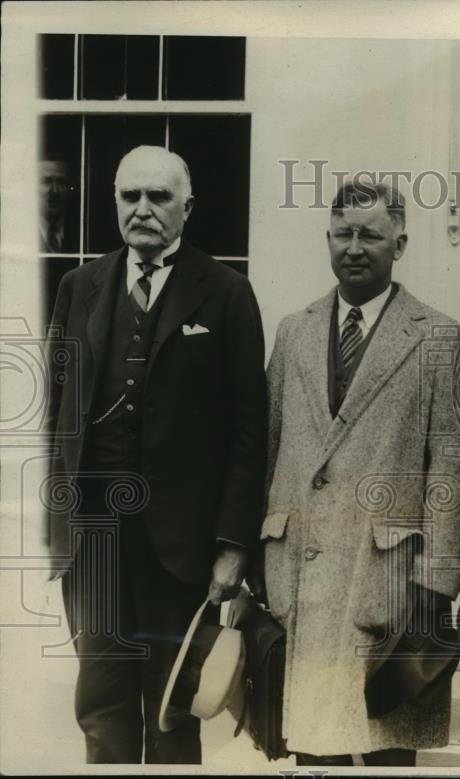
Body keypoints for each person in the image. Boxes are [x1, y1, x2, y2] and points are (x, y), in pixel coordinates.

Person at [44, 145, 267, 763]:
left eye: (159, 197)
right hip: (98, 542)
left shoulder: (225, 293)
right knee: (101, 706)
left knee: (173, 711)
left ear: (187, 208)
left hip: (183, 547)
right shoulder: (79, 287)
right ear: (115, 202)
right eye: (129, 196)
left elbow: (250, 432)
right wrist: (59, 529)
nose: (142, 209)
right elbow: (58, 416)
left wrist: (233, 545)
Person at [260, 181, 460, 767]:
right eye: (344, 233)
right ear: (327, 239)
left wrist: (438, 582)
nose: (355, 247)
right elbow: (271, 448)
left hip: (388, 576)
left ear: (399, 243)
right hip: (301, 565)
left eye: (371, 235)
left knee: (386, 743)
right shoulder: (294, 331)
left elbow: (449, 463)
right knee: (312, 747)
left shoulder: (436, 335)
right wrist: (259, 555)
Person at [39, 157, 78, 253]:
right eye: (46, 182)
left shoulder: (83, 234)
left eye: (61, 182)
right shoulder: (19, 232)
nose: (54, 191)